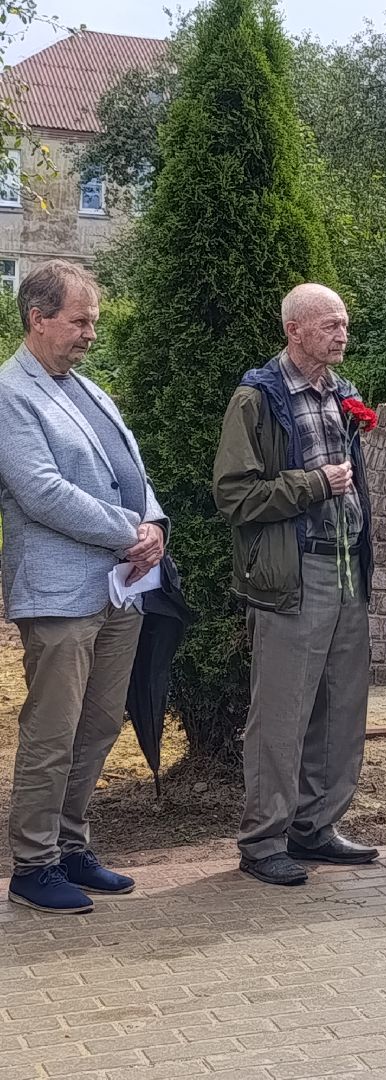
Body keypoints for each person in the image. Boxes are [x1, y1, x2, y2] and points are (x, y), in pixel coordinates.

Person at [0, 261, 167, 914]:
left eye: (93, 321)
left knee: (98, 723)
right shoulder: (11, 394)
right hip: (61, 594)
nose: (90, 333)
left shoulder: (88, 390)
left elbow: (133, 469)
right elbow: (41, 491)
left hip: (119, 589)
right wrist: (130, 531)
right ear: (38, 319)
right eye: (80, 320)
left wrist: (153, 522)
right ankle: (33, 863)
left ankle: (72, 846)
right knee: (53, 731)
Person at [213, 283, 377, 886]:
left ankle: (317, 826)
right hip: (294, 570)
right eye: (331, 324)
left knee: (341, 706)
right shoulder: (258, 397)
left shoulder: (345, 393)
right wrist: (312, 485)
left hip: (347, 566)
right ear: (295, 331)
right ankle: (263, 841)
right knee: (281, 713)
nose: (342, 333)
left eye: (345, 323)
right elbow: (232, 494)